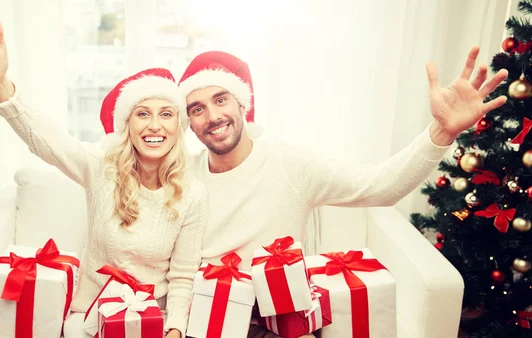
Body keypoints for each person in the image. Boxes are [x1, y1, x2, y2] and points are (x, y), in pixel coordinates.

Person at [177, 50, 508, 337]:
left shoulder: (289, 164)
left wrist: (441, 131)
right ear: (189, 122)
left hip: (277, 317)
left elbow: (380, 186)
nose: (213, 117)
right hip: (204, 315)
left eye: (221, 100)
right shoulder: (183, 176)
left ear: (241, 103)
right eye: (197, 108)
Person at [0, 9, 207, 338]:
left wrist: (175, 330)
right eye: (143, 114)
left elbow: (182, 276)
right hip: (90, 316)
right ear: (127, 125)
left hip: (153, 319)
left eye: (166, 114)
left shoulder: (191, 193)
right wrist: (1, 88)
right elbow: (46, 139)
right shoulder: (101, 169)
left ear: (178, 126)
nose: (154, 125)